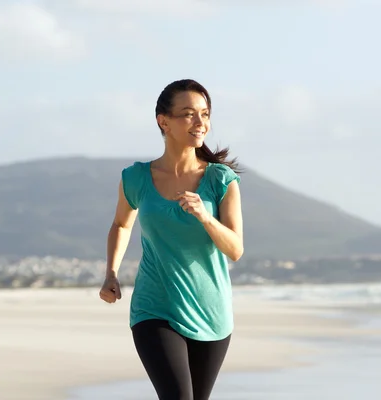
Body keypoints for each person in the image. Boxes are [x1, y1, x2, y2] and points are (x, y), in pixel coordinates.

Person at [98, 78, 244, 400]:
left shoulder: (220, 180)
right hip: (155, 307)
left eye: (205, 114)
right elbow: (122, 225)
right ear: (163, 121)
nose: (200, 122)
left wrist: (206, 217)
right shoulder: (136, 178)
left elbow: (235, 249)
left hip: (210, 311)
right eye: (189, 114)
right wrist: (111, 273)